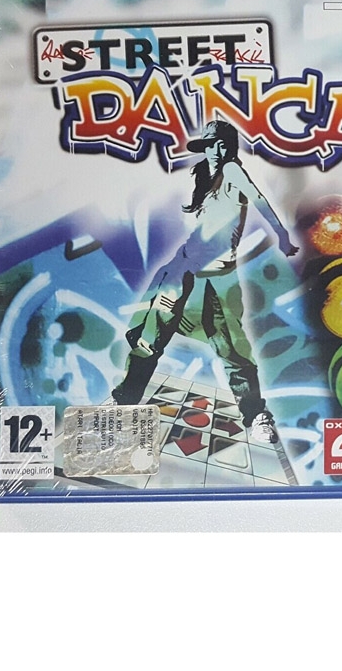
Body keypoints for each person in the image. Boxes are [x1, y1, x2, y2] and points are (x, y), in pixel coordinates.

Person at [111, 120, 298, 443]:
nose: (216, 151)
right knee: (150, 337)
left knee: (233, 350)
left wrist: (281, 235)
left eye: (222, 144)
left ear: (230, 147)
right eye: (210, 145)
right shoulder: (202, 177)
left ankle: (255, 414)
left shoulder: (233, 171)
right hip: (183, 270)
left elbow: (259, 199)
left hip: (219, 279)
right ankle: (124, 401)